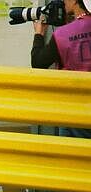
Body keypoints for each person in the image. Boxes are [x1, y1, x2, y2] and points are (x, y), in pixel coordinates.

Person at [31, 0, 91, 138]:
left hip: (75, 108)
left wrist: (39, 34)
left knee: (72, 150)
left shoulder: (63, 34)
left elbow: (38, 62)